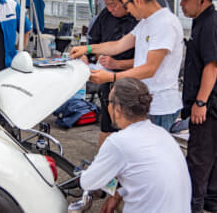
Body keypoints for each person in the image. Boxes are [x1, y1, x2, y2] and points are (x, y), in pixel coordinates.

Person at [70, 0, 184, 131]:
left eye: (126, 4)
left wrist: (111, 77)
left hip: (160, 106)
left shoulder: (165, 23)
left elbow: (150, 68)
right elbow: (118, 45)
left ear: (136, 0)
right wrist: (88, 49)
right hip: (145, 101)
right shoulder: (146, 22)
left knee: (149, 153)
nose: (127, 9)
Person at [167, 0, 217, 213]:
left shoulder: (211, 24)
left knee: (198, 161)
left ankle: (194, 207)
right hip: (211, 104)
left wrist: (201, 102)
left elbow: (212, 65)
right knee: (212, 159)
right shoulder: (203, 21)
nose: (182, 4)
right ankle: (210, 205)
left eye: (185, 0)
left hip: (209, 105)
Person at [80, 77, 191, 213]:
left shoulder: (118, 142)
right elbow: (146, 180)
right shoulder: (162, 134)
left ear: (118, 108)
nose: (107, 106)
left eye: (108, 102)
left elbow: (88, 182)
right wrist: (118, 193)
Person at [86, 0, 138, 147]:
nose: (111, 9)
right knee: (107, 125)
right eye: (107, 5)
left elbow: (147, 63)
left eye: (114, 5)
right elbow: (95, 43)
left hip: (132, 82)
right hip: (106, 79)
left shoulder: (138, 20)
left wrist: (117, 64)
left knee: (128, 129)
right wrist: (87, 55)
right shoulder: (106, 15)